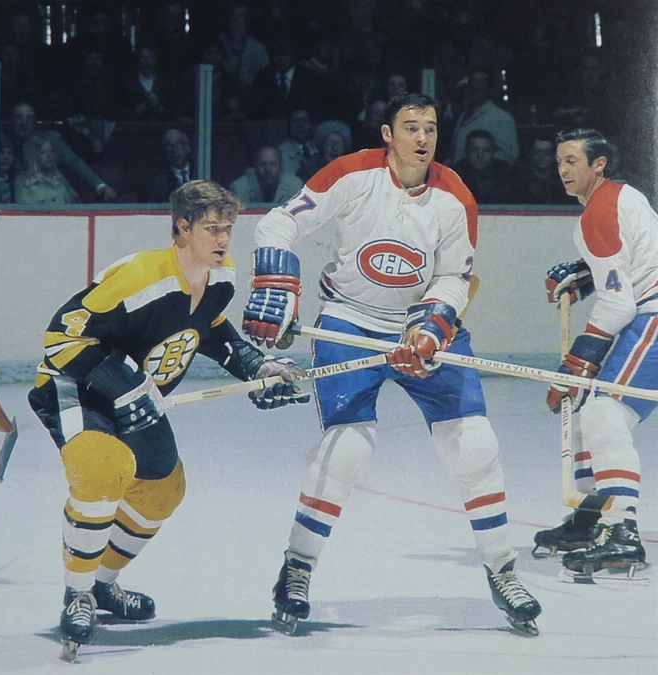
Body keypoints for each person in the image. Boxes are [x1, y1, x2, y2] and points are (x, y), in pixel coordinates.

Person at [242, 93, 542, 636]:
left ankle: (502, 570)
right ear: (388, 133)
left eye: (431, 128)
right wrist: (276, 281)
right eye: (411, 127)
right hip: (349, 323)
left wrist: (429, 328)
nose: (423, 138)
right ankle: (298, 567)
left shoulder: (455, 196)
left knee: (474, 445)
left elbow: (454, 277)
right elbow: (278, 224)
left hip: (419, 324)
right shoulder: (351, 174)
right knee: (348, 449)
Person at [27, 180, 309, 657]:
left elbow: (209, 328)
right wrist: (125, 386)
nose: (223, 238)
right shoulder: (141, 276)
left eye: (228, 228)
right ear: (182, 228)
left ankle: (101, 585)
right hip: (76, 388)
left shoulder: (220, 278)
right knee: (102, 471)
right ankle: (77, 596)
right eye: (212, 228)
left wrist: (256, 367)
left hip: (137, 395)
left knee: (163, 487)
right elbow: (61, 336)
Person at [535, 129, 655, 578]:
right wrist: (585, 276)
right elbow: (628, 268)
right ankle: (591, 518)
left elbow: (620, 304)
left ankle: (623, 532)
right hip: (649, 309)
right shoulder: (620, 197)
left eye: (572, 161)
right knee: (590, 407)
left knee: (605, 412)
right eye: (559, 161)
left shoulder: (598, 212)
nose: (563, 170)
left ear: (598, 164)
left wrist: (575, 364)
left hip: (653, 314)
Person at [9, 102, 117, 203]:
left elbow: (74, 161)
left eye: (29, 117)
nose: (24, 122)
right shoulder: (3, 141)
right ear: (11, 120)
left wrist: (100, 185)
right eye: (18, 117)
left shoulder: (49, 139)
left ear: (34, 121)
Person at [13, 137, 77, 206]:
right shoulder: (23, 181)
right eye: (43, 152)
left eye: (52, 151)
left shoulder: (61, 180)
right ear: (35, 155)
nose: (49, 155)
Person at [229, 145, 303, 205]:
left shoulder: (295, 185)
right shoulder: (239, 187)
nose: (268, 170)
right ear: (254, 166)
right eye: (262, 164)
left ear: (281, 165)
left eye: (273, 164)